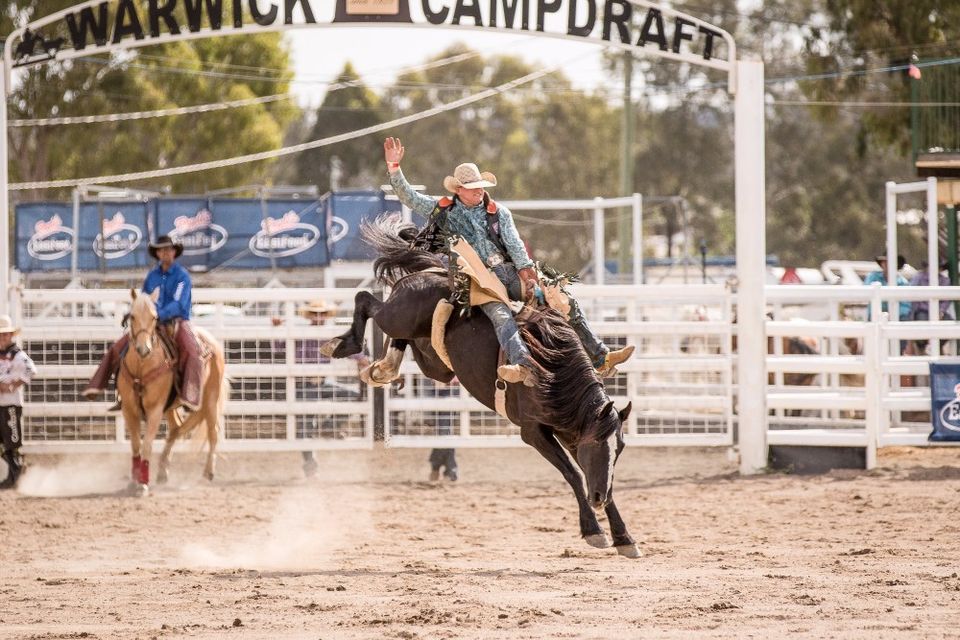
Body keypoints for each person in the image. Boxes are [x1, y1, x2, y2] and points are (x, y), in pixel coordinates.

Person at [383, 137, 634, 386]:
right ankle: (523, 364)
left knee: (560, 297)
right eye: (473, 187)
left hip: (508, 270)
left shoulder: (498, 212)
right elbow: (409, 197)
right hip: (477, 278)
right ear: (459, 190)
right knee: (500, 316)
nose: (480, 190)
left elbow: (513, 242)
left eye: (481, 185)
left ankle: (600, 356)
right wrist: (395, 168)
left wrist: (525, 270)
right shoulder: (445, 209)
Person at [81, 235, 203, 411]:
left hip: (176, 320)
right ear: (158, 253)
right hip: (150, 322)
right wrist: (136, 313)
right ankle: (101, 387)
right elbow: (142, 300)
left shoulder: (182, 276)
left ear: (174, 252)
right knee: (118, 347)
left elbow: (179, 304)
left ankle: (189, 395)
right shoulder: (152, 276)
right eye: (161, 250)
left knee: (192, 350)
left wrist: (157, 314)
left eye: (168, 249)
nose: (165, 253)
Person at [275, 300, 371, 477]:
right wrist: (278, 330)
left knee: (353, 396)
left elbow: (347, 348)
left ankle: (328, 426)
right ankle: (311, 467)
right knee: (305, 426)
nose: (319, 317)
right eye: (315, 313)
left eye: (322, 314)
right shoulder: (301, 332)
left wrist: (361, 358)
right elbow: (280, 347)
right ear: (310, 316)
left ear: (326, 316)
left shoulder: (331, 334)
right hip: (303, 385)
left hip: (321, 383)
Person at [0, 315, 37, 489]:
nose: (3, 337)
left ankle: (14, 476)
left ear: (11, 335)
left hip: (11, 404)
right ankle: (17, 471)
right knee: (5, 443)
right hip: (2, 403)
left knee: (12, 441)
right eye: (1, 335)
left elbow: (31, 370)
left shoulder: (18, 355)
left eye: (5, 334)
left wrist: (13, 385)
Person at [908, 259, 954, 355]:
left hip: (938, 311)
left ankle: (936, 347)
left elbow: (946, 300)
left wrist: (941, 311)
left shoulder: (944, 280)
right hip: (922, 310)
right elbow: (911, 295)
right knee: (921, 324)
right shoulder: (919, 278)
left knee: (950, 324)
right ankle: (922, 348)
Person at [863, 254, 911, 321]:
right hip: (874, 316)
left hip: (897, 317)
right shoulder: (873, 276)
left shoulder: (902, 282)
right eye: (884, 262)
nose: (885, 264)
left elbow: (905, 305)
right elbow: (866, 291)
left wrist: (892, 315)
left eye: (888, 262)